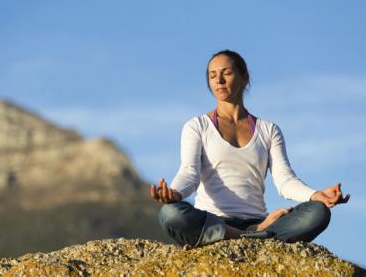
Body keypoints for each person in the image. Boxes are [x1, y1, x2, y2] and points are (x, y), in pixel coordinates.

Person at [150, 50, 350, 248]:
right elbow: (189, 172)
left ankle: (253, 233)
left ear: (244, 78)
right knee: (170, 214)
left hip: (258, 221)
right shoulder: (197, 126)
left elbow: (285, 180)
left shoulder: (268, 130)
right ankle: (251, 236)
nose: (218, 80)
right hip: (212, 221)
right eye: (212, 75)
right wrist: (175, 193)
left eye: (226, 73)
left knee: (319, 212)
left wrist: (316, 195)